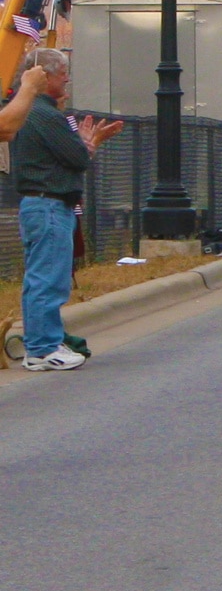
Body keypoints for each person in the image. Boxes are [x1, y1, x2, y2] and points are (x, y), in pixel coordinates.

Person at [12, 49, 120, 371]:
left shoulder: (31, 112)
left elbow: (72, 154)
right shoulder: (46, 115)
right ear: (44, 76)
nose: (67, 79)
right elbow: (77, 157)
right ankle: (43, 348)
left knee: (40, 278)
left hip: (38, 205)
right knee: (49, 279)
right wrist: (86, 145)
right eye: (62, 74)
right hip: (49, 205)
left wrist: (82, 145)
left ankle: (41, 342)